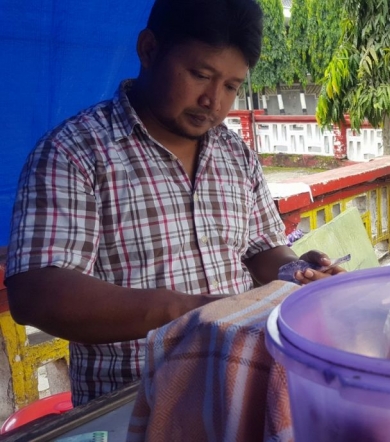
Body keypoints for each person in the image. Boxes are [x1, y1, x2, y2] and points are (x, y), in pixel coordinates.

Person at [4, 0, 345, 406]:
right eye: (200, 75)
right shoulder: (75, 152)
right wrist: (194, 311)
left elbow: (261, 248)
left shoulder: (235, 153)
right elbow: (36, 292)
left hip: (241, 386)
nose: (214, 101)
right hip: (137, 403)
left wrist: (297, 273)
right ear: (149, 50)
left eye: (232, 86)